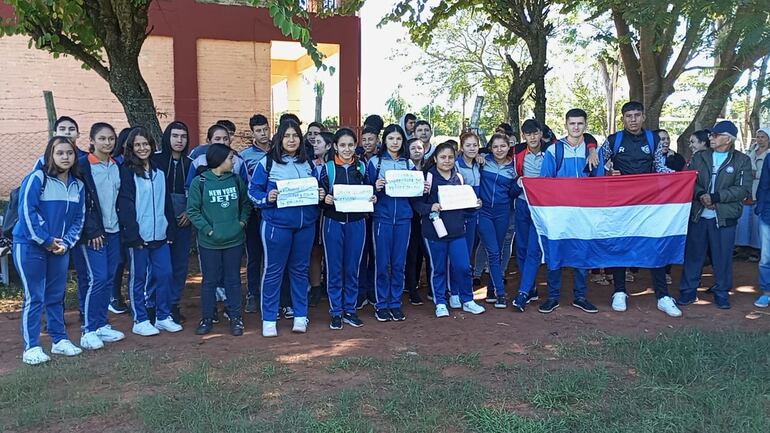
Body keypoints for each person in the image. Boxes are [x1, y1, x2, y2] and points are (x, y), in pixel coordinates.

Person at [587, 101, 681, 317]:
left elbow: (659, 166)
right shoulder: (614, 140)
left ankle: (663, 295)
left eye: (637, 115)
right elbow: (598, 165)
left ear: (643, 116)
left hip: (649, 203)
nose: (633, 119)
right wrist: (604, 168)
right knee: (620, 242)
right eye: (629, 116)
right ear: (623, 118)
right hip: (621, 202)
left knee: (654, 243)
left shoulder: (653, 138)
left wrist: (679, 177)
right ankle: (619, 291)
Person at [249, 119, 325, 337]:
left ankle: (300, 316)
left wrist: (320, 195)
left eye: (295, 136)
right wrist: (267, 198)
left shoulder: (308, 163)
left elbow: (317, 189)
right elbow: (252, 191)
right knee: (273, 271)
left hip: (305, 226)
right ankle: (269, 319)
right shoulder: (268, 163)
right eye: (286, 136)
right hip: (276, 226)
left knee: (300, 271)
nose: (291, 140)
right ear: (279, 139)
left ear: (300, 139)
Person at [14, 136, 85, 365]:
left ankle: (59, 339)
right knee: (35, 296)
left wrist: (66, 243)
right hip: (30, 246)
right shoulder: (37, 178)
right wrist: (45, 241)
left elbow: (78, 219)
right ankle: (32, 346)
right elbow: (27, 212)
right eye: (60, 153)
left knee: (56, 295)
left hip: (59, 249)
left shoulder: (78, 185)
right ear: (50, 155)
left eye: (70, 153)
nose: (65, 157)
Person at [534, 109, 604, 314]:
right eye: (572, 123)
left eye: (580, 124)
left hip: (583, 213)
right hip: (559, 212)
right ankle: (553, 297)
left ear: (585, 125)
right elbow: (545, 182)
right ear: (565, 125)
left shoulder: (592, 152)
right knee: (555, 252)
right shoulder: (554, 151)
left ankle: (580, 296)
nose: (576, 127)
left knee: (582, 253)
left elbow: (598, 184)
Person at [678, 121, 752, 310]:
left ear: (727, 139)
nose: (710, 137)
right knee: (693, 255)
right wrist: (701, 195)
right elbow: (688, 180)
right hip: (698, 215)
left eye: (715, 135)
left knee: (723, 257)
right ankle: (688, 292)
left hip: (724, 217)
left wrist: (715, 197)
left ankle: (721, 293)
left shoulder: (741, 160)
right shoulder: (699, 157)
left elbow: (743, 189)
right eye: (711, 134)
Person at [117, 127, 180, 336]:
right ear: (131, 148)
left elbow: (166, 204)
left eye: (145, 144)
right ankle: (140, 319)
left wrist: (170, 229)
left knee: (165, 274)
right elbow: (126, 206)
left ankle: (163, 316)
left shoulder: (159, 170)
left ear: (152, 146)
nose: (142, 148)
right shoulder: (126, 172)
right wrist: (133, 234)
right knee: (139, 279)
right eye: (137, 145)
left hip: (160, 235)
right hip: (139, 237)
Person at [411, 141, 486, 317]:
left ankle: (467, 300)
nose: (447, 161)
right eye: (443, 157)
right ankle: (441, 303)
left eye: (451, 157)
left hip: (457, 231)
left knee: (463, 267)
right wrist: (430, 207)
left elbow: (463, 206)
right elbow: (416, 203)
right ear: (435, 158)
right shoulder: (427, 178)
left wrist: (474, 205)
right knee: (438, 269)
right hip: (434, 232)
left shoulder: (459, 178)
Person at [187, 144, 251, 336]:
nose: (233, 162)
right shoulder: (200, 182)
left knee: (233, 280)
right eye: (230, 158)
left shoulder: (236, 180)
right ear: (219, 160)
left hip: (234, 240)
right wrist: (209, 231)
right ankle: (207, 318)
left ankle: (236, 318)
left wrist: (241, 223)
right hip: (210, 243)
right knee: (209, 281)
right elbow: (193, 211)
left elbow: (246, 204)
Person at [73, 123, 126, 350]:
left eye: (111, 139)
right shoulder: (83, 166)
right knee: (97, 278)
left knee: (108, 276)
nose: (107, 143)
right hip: (93, 234)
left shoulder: (116, 166)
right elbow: (81, 203)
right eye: (102, 139)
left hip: (114, 231)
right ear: (92, 141)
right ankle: (88, 329)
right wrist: (92, 230)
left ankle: (102, 324)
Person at [319, 128, 375, 329]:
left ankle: (350, 310)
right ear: (335, 146)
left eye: (350, 145)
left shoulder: (362, 167)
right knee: (335, 268)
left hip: (357, 223)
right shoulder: (328, 168)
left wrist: (372, 197)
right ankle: (335, 311)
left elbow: (369, 190)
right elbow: (320, 197)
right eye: (342, 145)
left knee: (353, 268)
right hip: (333, 222)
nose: (347, 149)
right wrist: (325, 199)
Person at [368, 124, 419, 322]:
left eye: (398, 139)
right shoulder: (375, 162)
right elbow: (366, 191)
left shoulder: (409, 164)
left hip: (404, 219)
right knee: (382, 263)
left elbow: (415, 192)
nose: (395, 142)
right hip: (382, 218)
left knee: (399, 263)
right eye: (391, 139)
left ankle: (395, 303)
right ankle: (381, 304)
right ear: (385, 141)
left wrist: (421, 187)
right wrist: (375, 187)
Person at [153, 121, 192, 324]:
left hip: (184, 222)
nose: (179, 140)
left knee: (179, 266)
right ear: (168, 137)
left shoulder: (190, 163)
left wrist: (190, 212)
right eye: (175, 136)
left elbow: (195, 192)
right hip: (160, 221)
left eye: (183, 136)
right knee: (160, 267)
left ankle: (173, 305)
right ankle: (154, 305)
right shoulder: (156, 161)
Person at [510, 119, 548, 311]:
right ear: (523, 136)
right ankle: (531, 287)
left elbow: (588, 138)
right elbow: (493, 151)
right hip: (523, 204)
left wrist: (591, 147)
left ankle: (522, 293)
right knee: (522, 248)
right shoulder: (517, 151)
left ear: (541, 133)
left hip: (542, 208)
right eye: (528, 134)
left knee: (534, 249)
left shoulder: (551, 151)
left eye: (535, 133)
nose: (532, 137)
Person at [478, 133, 519, 309]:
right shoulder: (483, 161)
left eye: (503, 146)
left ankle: (491, 290)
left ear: (508, 146)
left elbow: (512, 192)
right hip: (483, 211)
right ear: (490, 148)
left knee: (501, 251)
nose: (499, 150)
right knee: (493, 252)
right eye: (495, 147)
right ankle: (501, 294)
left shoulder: (515, 166)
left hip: (503, 212)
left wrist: (518, 185)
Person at [240, 114, 271, 313]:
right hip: (253, 211)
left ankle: (273, 294)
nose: (263, 133)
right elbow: (243, 184)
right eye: (258, 130)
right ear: (252, 133)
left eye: (265, 129)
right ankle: (253, 293)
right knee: (254, 255)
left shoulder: (278, 152)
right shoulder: (244, 156)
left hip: (274, 211)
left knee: (273, 256)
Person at [455, 131, 483, 306]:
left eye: (475, 145)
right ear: (462, 147)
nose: (472, 148)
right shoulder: (455, 165)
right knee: (458, 256)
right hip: (458, 216)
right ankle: (455, 291)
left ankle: (464, 291)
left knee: (468, 254)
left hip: (474, 215)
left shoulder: (479, 164)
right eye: (468, 145)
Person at [356, 126, 381, 309]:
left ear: (378, 140)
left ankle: (372, 291)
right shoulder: (356, 159)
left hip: (378, 214)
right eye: (364, 140)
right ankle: (360, 291)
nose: (367, 143)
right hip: (360, 215)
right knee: (360, 254)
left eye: (370, 139)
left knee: (375, 254)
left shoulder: (382, 159)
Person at [404, 138, 431, 305]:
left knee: (429, 254)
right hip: (410, 216)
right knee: (412, 254)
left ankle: (431, 289)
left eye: (419, 147)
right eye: (413, 148)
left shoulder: (430, 169)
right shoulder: (404, 167)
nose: (416, 150)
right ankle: (412, 288)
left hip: (428, 216)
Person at [735, 128, 769, 253]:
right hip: (747, 190)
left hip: (762, 190)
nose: (760, 140)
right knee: (743, 219)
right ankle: (742, 246)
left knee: (757, 221)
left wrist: (758, 174)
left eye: (763, 137)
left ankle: (757, 249)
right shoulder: (750, 152)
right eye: (758, 137)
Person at [308, 131, 333, 306]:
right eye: (313, 142)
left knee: (332, 252)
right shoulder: (308, 165)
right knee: (315, 251)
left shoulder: (335, 166)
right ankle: (316, 287)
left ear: (329, 146)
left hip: (332, 213)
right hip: (314, 213)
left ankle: (331, 286)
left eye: (318, 142)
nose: (314, 144)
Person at [754, 127, 770, 308]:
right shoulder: (769, 158)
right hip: (768, 214)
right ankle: (766, 292)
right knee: (766, 257)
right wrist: (761, 207)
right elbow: (764, 184)